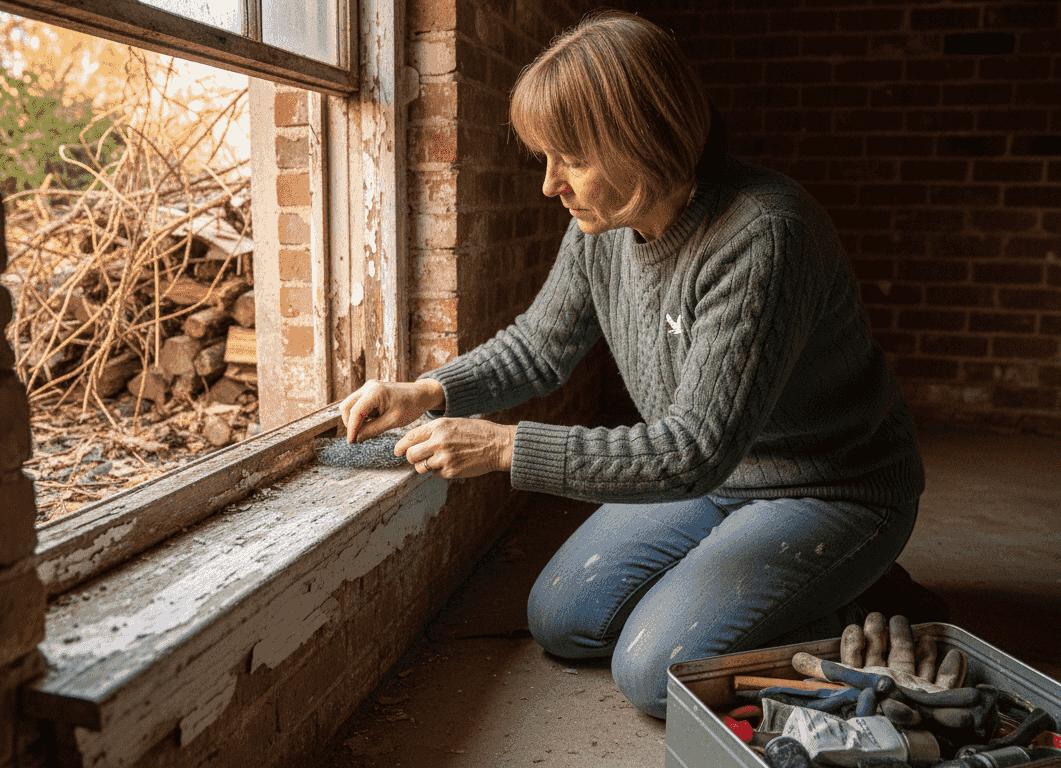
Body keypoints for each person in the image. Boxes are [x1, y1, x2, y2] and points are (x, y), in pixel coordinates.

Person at [338, 10, 928, 720]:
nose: (550, 185)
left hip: (831, 487)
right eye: (545, 158)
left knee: (653, 674)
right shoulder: (603, 224)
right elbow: (539, 346)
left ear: (644, 138)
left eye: (572, 159)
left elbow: (693, 450)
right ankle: (791, 579)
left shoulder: (764, 234)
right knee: (562, 618)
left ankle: (855, 589)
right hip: (716, 479)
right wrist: (430, 390)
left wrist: (505, 447)